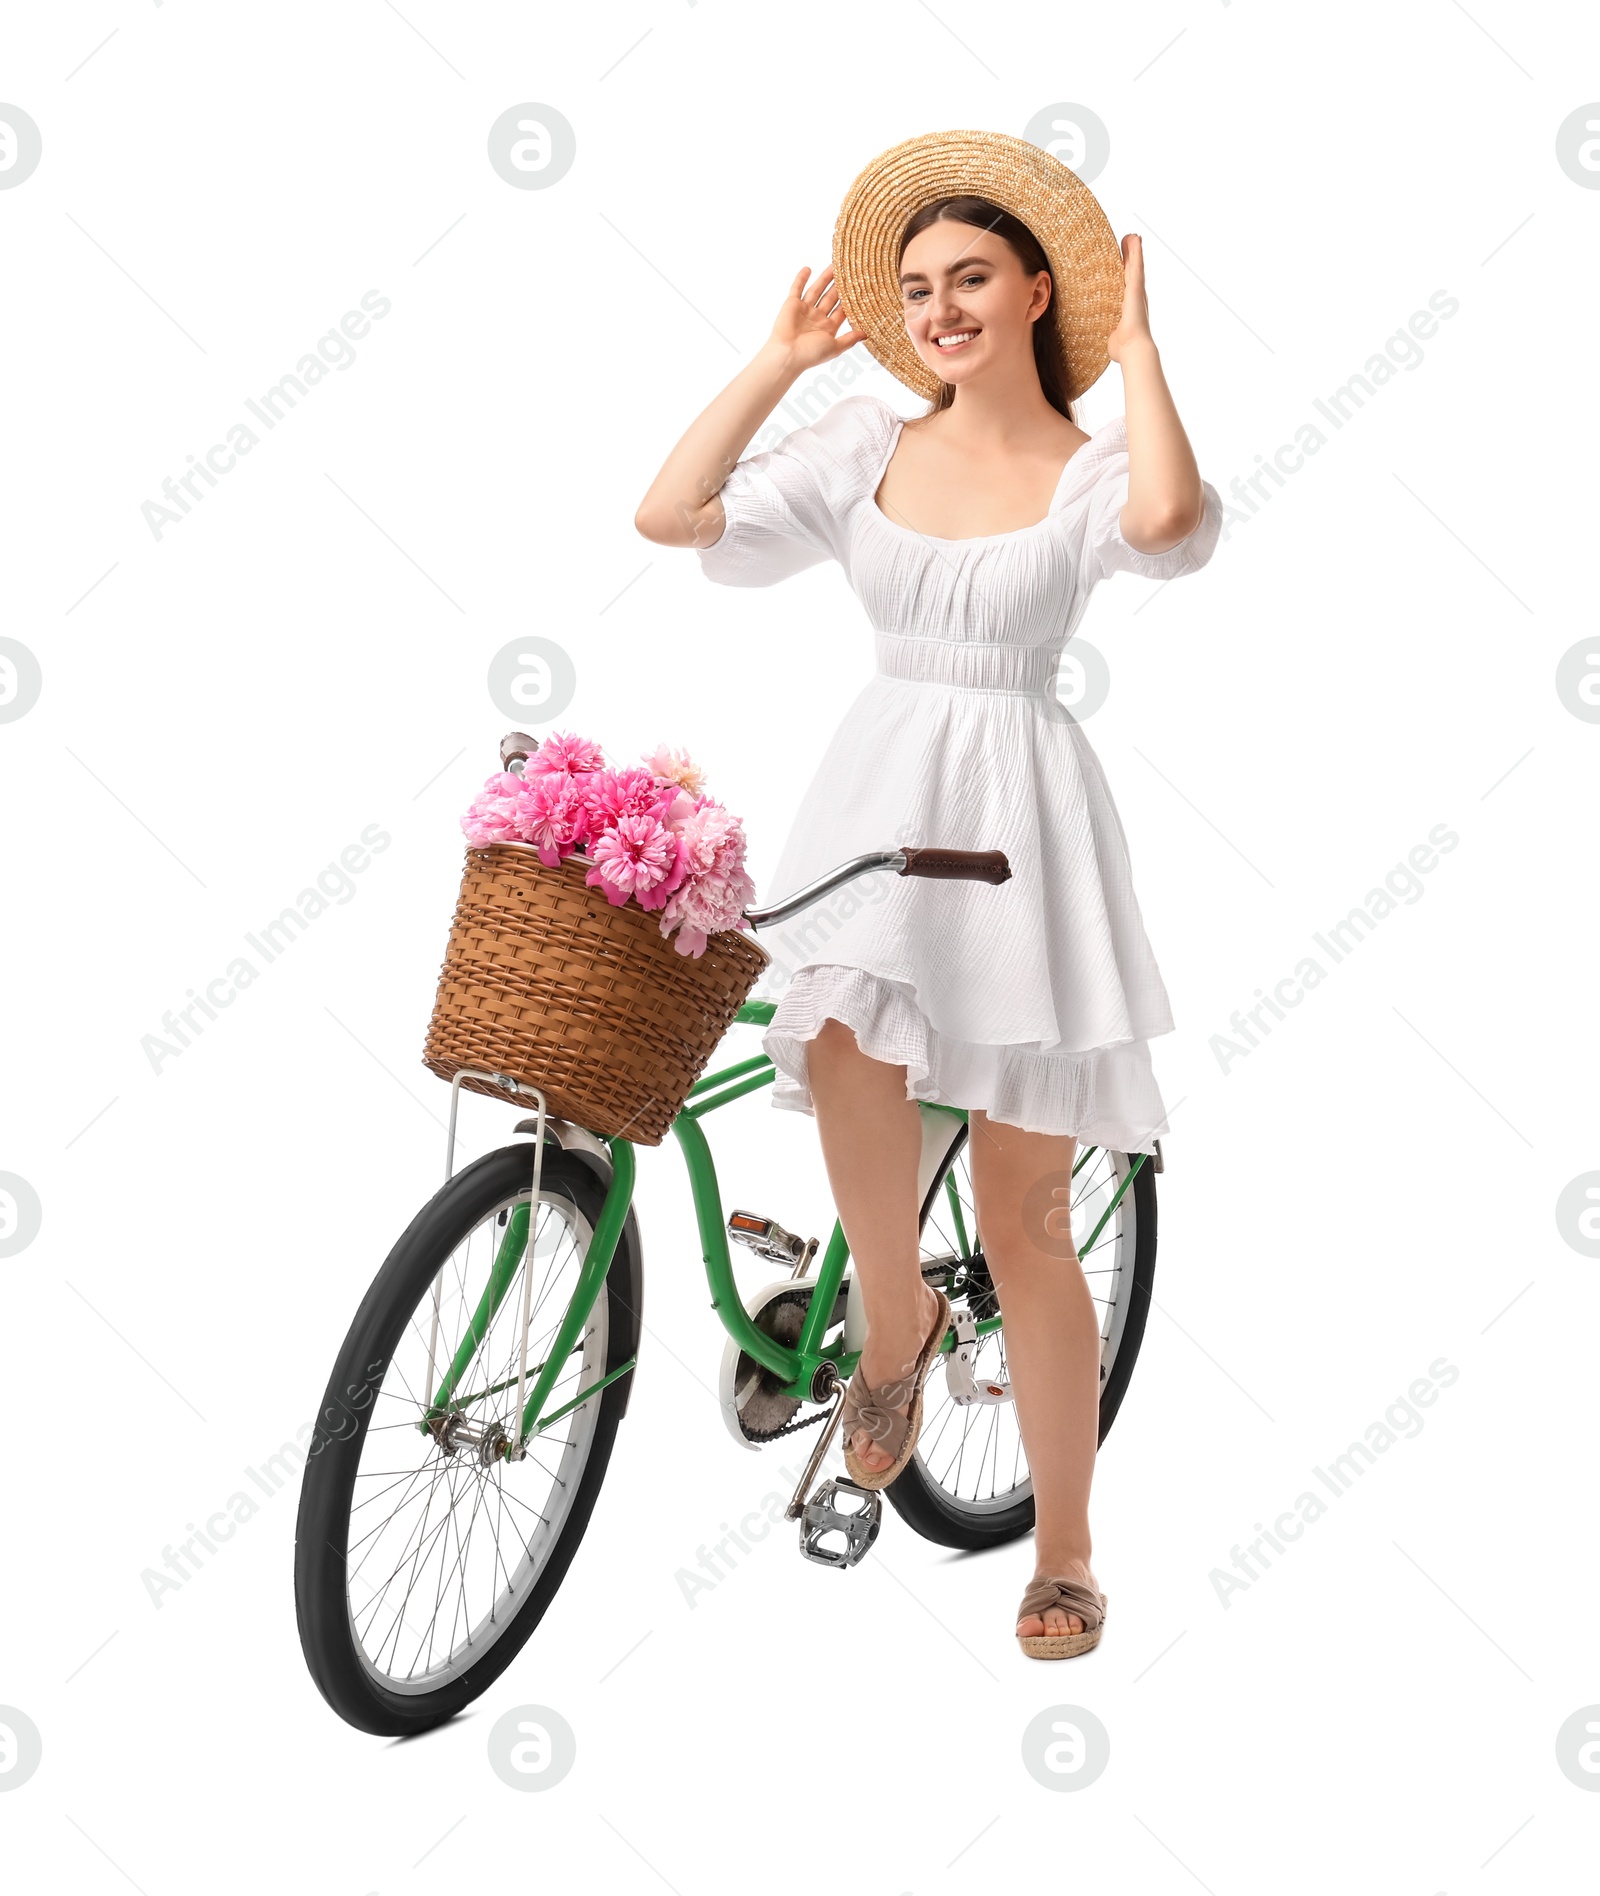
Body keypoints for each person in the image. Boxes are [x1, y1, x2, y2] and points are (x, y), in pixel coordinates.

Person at [635, 130, 1221, 1659]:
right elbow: (673, 518)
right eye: (919, 286)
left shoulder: (1090, 469)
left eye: (972, 276)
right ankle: (891, 1328)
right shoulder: (858, 443)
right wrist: (775, 362)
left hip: (1021, 821)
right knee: (831, 1039)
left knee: (1028, 1215)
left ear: (1036, 291)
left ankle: (1069, 1550)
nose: (943, 306)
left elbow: (1168, 527)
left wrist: (1144, 355)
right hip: (879, 792)